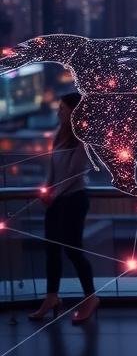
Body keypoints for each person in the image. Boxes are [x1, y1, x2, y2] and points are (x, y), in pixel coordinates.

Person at [29, 92, 98, 325]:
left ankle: (90, 298)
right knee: (52, 250)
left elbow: (75, 173)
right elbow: (54, 169)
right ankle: (51, 298)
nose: (58, 112)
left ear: (73, 112)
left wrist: (54, 194)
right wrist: (47, 189)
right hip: (58, 200)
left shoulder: (82, 139)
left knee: (73, 250)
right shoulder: (59, 135)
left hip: (73, 200)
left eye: (62, 108)